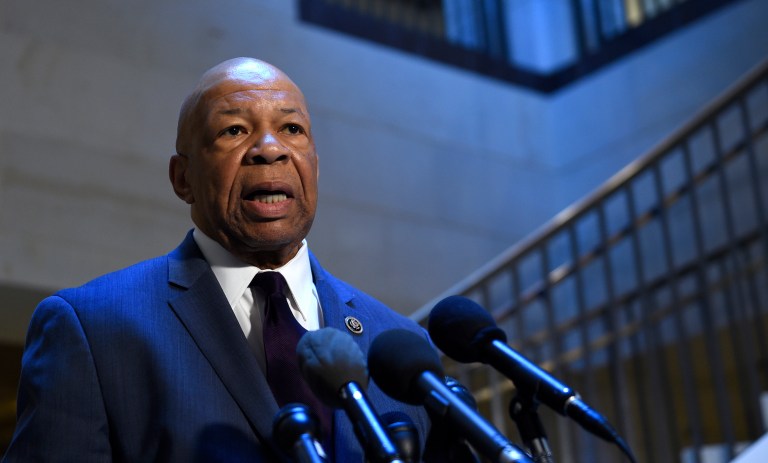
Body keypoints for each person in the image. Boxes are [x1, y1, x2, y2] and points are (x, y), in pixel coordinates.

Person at [3, 57, 431, 462]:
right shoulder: (93, 329)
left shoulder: (399, 345)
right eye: (234, 131)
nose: (269, 149)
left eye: (292, 128)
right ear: (183, 178)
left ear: (314, 168)